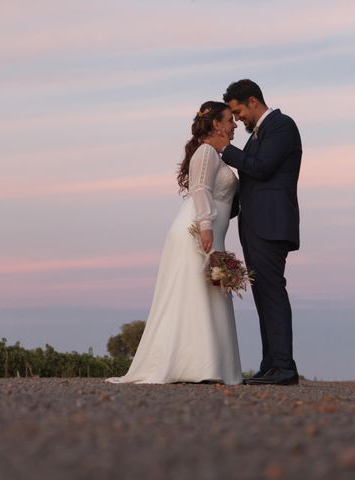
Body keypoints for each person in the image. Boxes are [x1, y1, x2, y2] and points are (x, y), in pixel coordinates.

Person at [106, 101, 242, 385]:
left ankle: (210, 364)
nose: (234, 124)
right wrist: (205, 227)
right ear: (216, 124)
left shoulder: (215, 155)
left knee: (209, 294)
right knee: (193, 293)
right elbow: (200, 189)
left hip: (211, 230)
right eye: (230, 119)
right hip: (197, 230)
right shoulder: (206, 152)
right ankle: (195, 365)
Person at [221, 79, 302, 386]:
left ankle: (284, 366)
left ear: (253, 101)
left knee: (272, 292)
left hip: (272, 224)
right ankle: (271, 364)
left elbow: (263, 168)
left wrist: (226, 149)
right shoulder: (257, 136)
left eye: (238, 111)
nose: (237, 118)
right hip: (255, 226)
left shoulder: (282, 126)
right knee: (262, 294)